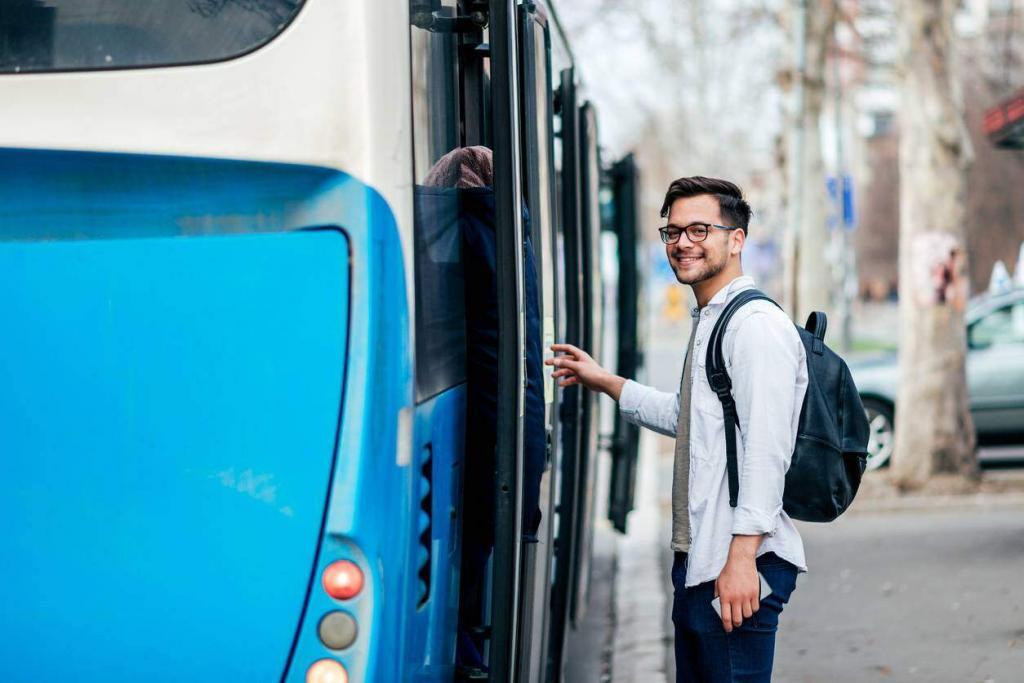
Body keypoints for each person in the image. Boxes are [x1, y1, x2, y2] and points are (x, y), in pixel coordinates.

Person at [547, 176, 808, 682]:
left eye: (699, 229)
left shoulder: (753, 326)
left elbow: (767, 451)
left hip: (736, 564)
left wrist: (741, 559)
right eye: (672, 231)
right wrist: (605, 381)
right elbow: (688, 422)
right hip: (701, 562)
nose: (682, 242)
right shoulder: (713, 317)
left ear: (736, 239)